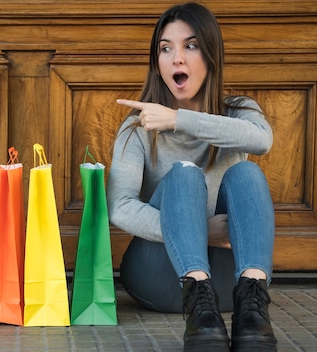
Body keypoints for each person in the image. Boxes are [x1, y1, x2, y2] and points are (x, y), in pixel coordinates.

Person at [107, 3, 277, 352]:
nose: (176, 58)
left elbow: (262, 140)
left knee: (247, 172)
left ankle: (253, 311)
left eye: (191, 45)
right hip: (160, 277)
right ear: (157, 62)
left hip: (228, 288)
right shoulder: (138, 127)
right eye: (165, 48)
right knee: (183, 174)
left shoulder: (240, 112)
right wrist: (200, 228)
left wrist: (178, 119)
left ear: (211, 54)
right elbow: (120, 208)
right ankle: (196, 291)